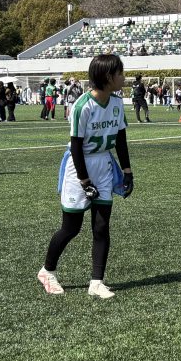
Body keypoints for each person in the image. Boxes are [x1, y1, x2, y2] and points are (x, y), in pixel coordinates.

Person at [38, 53, 134, 299]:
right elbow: (76, 146)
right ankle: (47, 271)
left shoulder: (117, 103)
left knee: (101, 226)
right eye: (120, 73)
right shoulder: (83, 106)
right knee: (71, 228)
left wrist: (127, 171)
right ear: (108, 77)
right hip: (79, 167)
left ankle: (97, 282)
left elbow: (121, 139)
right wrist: (84, 181)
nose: (123, 77)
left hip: (103, 164)